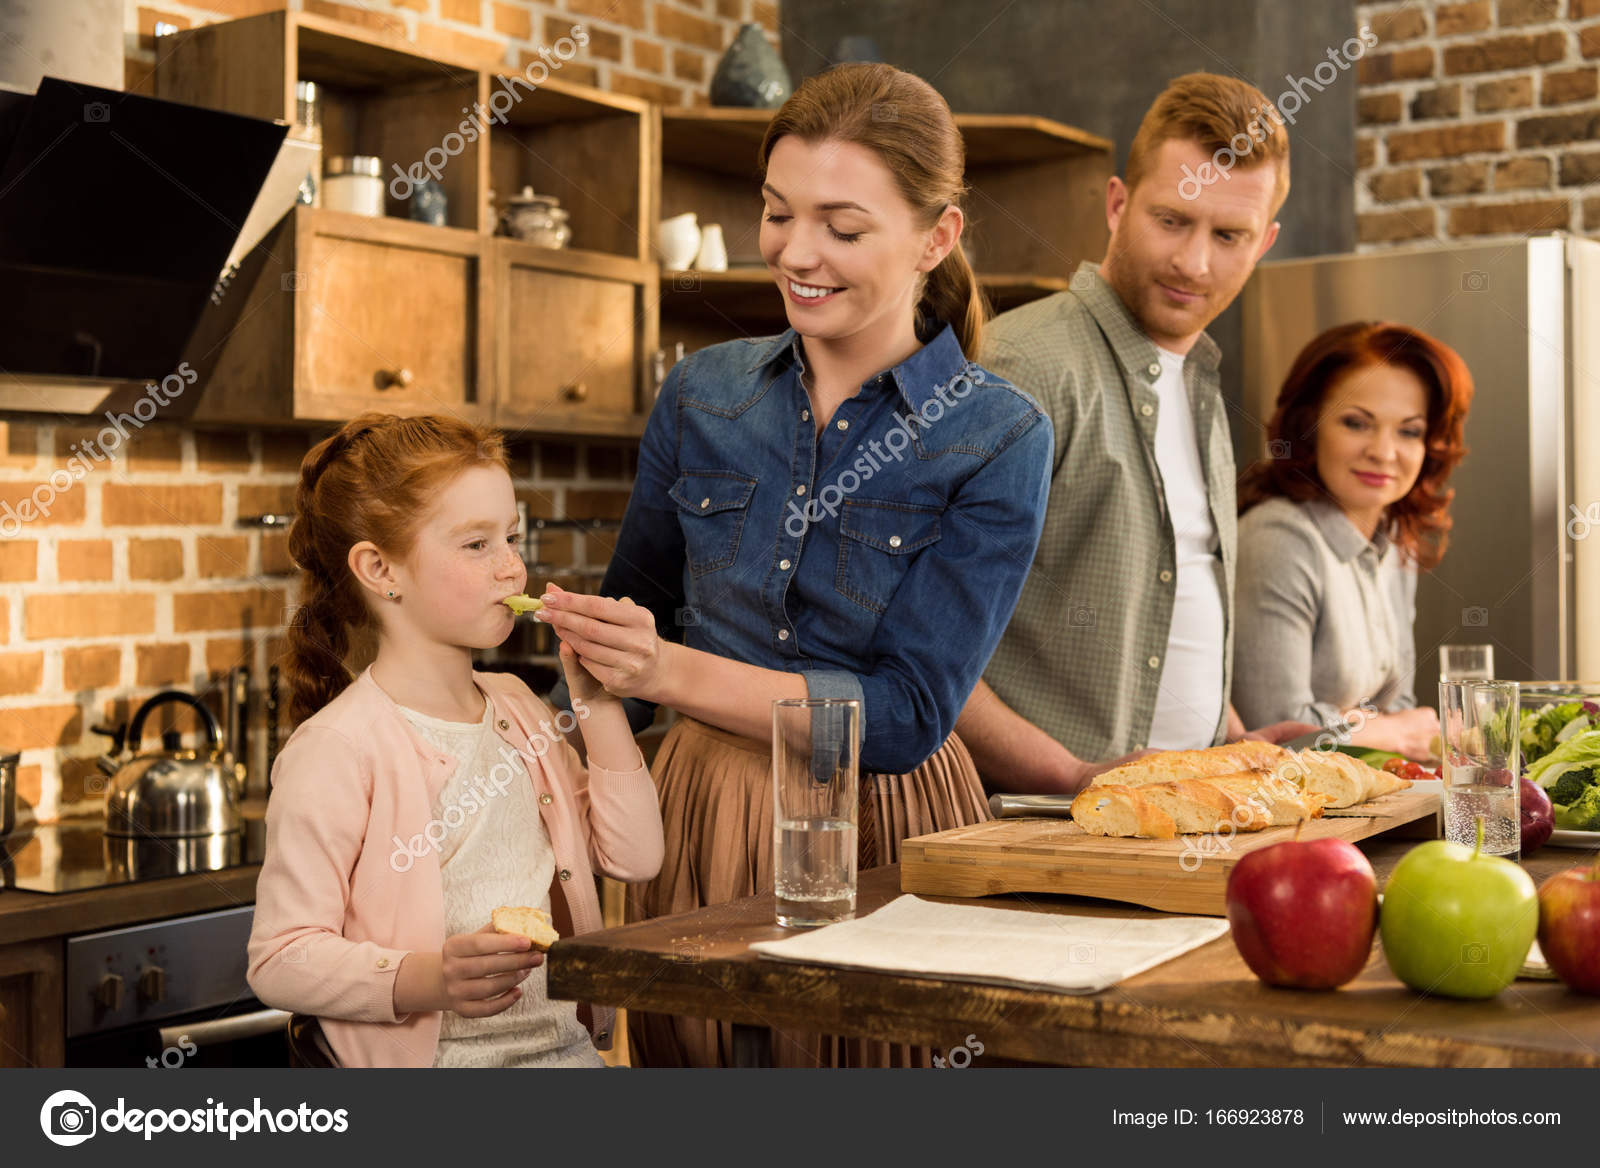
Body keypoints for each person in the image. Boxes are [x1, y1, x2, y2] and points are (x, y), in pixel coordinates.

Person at [537, 62, 1053, 1067]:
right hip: (696, 810)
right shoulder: (702, 394)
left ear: (936, 236)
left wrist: (666, 671)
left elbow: (904, 717)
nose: (796, 253)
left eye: (842, 228)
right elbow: (620, 630)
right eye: (777, 214)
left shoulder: (998, 433)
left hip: (881, 817)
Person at [247, 413, 663, 1069]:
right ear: (380, 568)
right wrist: (431, 979)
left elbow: (636, 856)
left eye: (512, 537)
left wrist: (596, 695)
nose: (512, 568)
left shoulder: (522, 708)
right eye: (477, 545)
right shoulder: (338, 747)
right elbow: (279, 958)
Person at [958, 72, 1315, 797]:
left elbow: (1166, 604)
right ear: (1118, 205)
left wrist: (1231, 734)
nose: (1194, 262)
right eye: (1172, 220)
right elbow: (914, 640)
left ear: (1265, 242)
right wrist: (1078, 779)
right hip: (1043, 833)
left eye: (1229, 235)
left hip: (1187, 818)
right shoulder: (1022, 366)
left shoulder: (1199, 381)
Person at [1232, 322, 1472, 758]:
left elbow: (1392, 701)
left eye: (1409, 431)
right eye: (1356, 423)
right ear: (1310, 425)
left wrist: (1365, 725)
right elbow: (1278, 731)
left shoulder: (1395, 540)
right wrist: (1391, 732)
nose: (1383, 451)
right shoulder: (1277, 540)